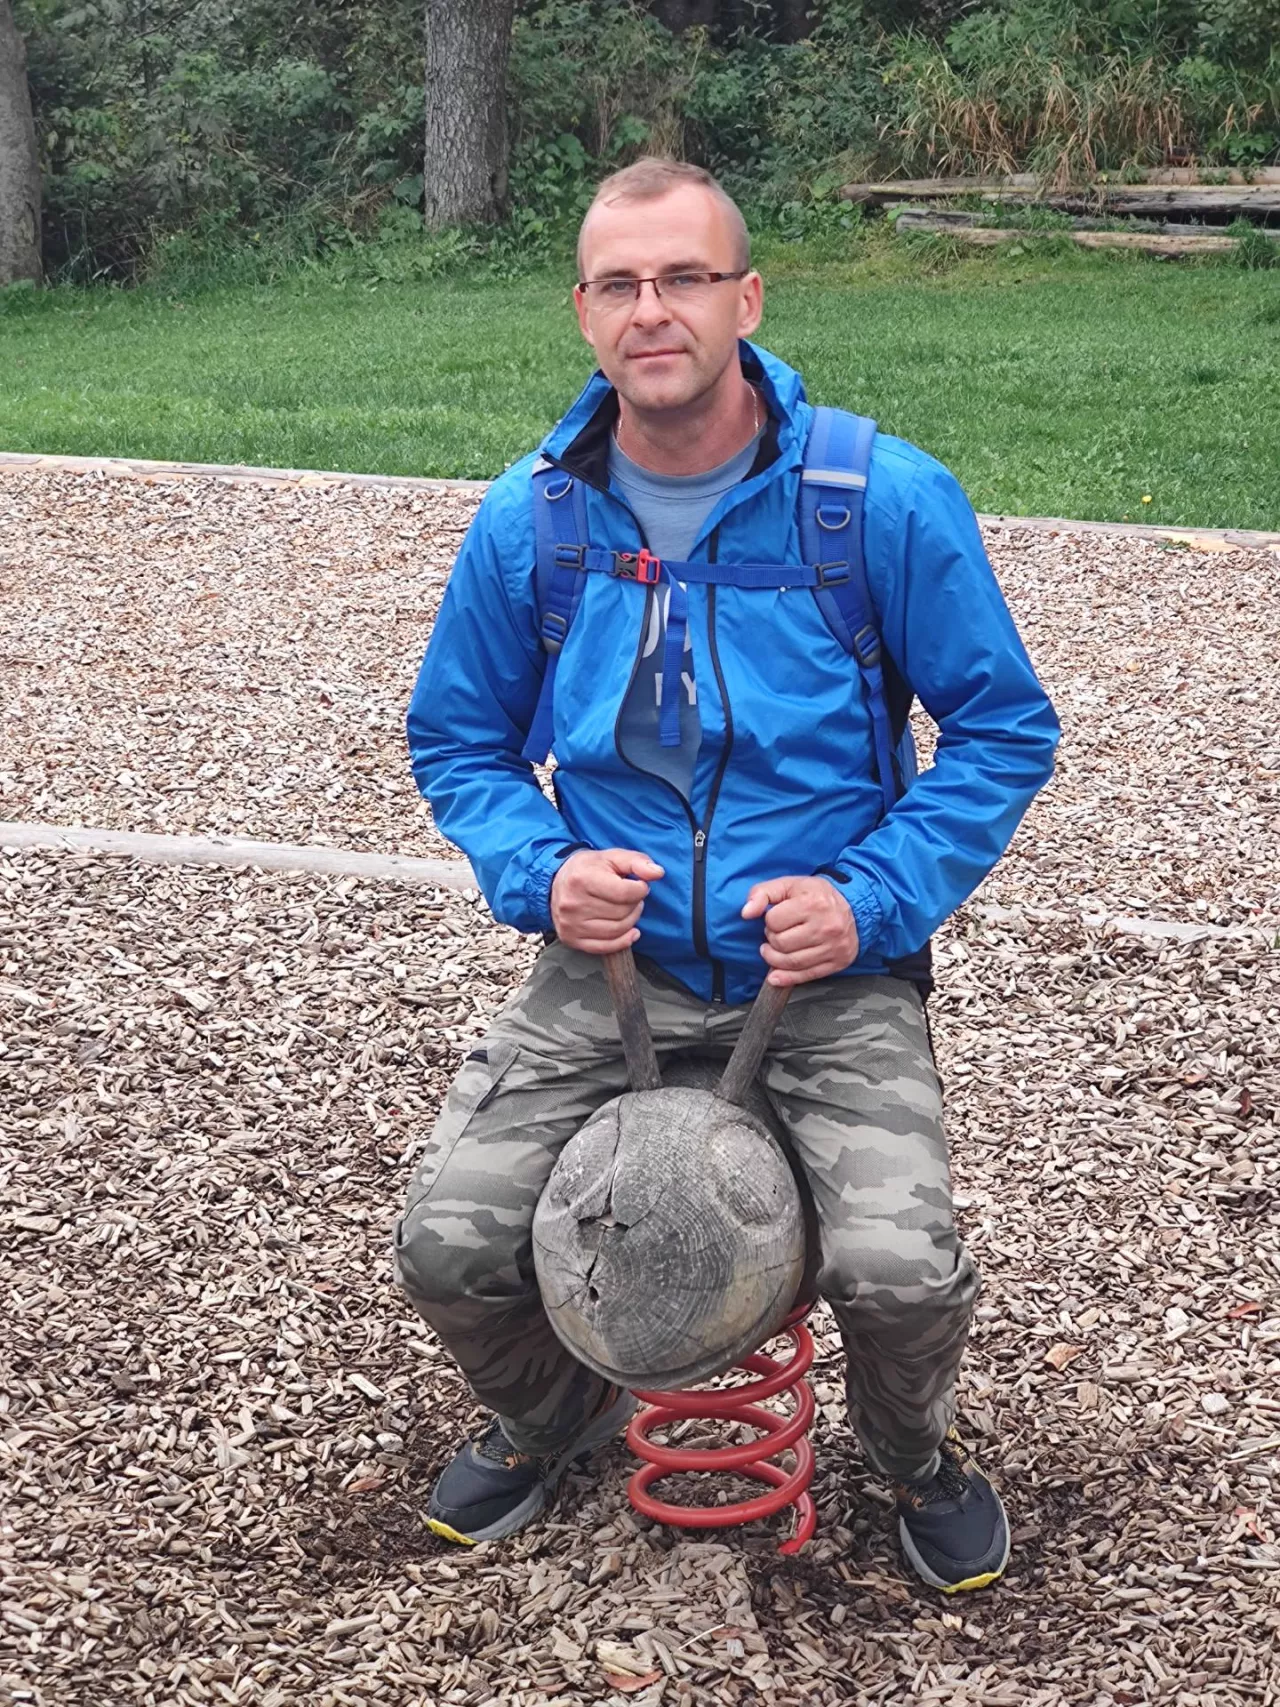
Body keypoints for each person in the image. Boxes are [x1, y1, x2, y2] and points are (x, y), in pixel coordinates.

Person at [397, 158, 1059, 1593]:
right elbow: (455, 738)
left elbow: (1005, 728)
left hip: (824, 978)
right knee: (448, 1249)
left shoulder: (873, 502)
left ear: (746, 300)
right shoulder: (534, 519)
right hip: (611, 971)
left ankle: (915, 1458)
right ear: (584, 313)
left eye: (686, 278)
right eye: (621, 284)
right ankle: (554, 1416)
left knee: (899, 1273)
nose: (654, 310)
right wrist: (541, 871)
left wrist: (869, 900)